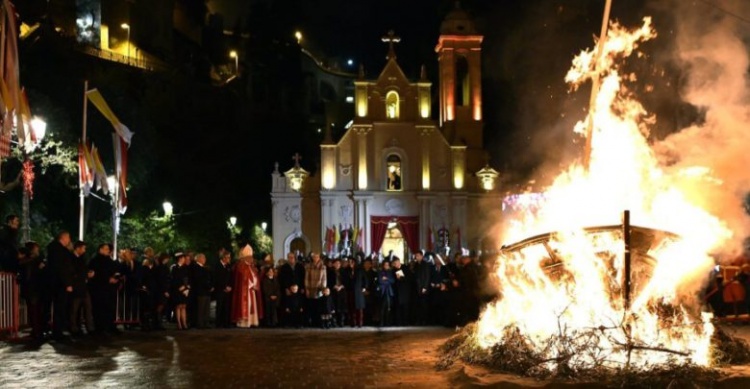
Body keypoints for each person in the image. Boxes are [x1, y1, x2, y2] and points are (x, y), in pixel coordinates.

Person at [231, 244, 263, 328]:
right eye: (250, 257)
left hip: (252, 290)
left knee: (252, 306)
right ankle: (244, 323)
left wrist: (255, 284)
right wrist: (251, 284)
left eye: (251, 257)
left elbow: (255, 277)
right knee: (245, 306)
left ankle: (252, 321)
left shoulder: (252, 267)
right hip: (244, 291)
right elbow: (242, 280)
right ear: (246, 258)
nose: (252, 259)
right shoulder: (240, 266)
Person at [213, 250, 233, 328]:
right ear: (224, 258)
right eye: (228, 257)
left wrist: (230, 286)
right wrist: (224, 287)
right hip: (220, 290)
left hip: (228, 290)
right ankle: (218, 323)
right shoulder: (217, 266)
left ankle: (226, 323)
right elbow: (217, 279)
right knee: (220, 307)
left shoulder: (228, 266)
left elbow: (231, 278)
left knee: (226, 307)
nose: (229, 259)